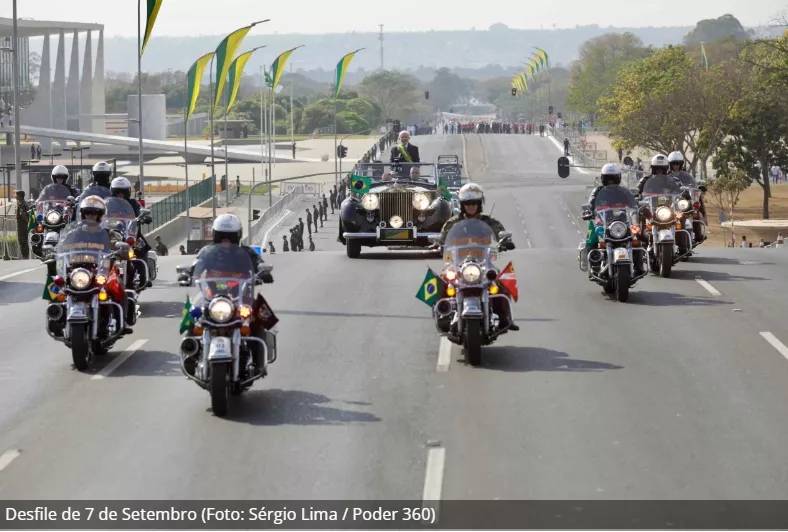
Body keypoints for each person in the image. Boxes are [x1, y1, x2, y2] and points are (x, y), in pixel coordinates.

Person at [438, 183, 518, 331]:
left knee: (499, 281)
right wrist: (437, 244)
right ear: (462, 205)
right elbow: (443, 240)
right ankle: (443, 313)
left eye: (474, 202)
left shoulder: (490, 222)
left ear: (480, 204)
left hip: (484, 263)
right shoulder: (452, 224)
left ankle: (505, 317)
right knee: (442, 281)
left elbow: (501, 234)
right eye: (467, 203)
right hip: (457, 263)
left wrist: (506, 242)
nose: (471, 206)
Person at [579, 163, 644, 277]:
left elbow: (633, 204)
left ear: (618, 178)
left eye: (613, 178)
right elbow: (591, 204)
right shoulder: (597, 191)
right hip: (603, 222)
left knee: (635, 238)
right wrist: (588, 210)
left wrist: (638, 207)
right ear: (603, 178)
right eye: (608, 179)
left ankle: (639, 266)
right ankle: (594, 264)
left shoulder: (624, 191)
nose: (610, 181)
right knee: (592, 237)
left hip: (622, 223)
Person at [667, 151, 707, 219]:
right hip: (669, 200)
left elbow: (694, 185)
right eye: (674, 164)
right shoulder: (666, 176)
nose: (676, 166)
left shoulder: (686, 175)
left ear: (681, 164)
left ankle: (702, 215)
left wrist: (696, 187)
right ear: (670, 165)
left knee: (696, 202)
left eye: (678, 164)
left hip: (684, 200)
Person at [15, 190, 30, 259]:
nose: (16, 196)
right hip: (24, 224)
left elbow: (22, 214)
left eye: (17, 195)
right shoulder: (25, 203)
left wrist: (26, 221)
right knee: (25, 239)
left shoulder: (21, 204)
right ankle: (26, 255)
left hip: (21, 224)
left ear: (20, 196)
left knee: (22, 240)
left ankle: (25, 255)